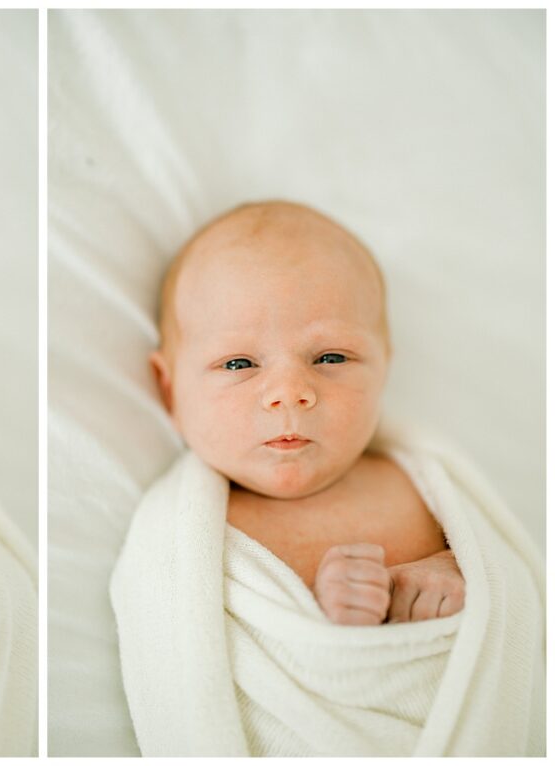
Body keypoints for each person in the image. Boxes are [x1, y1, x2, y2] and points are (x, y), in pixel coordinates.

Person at [149, 200, 464, 625]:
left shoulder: (425, 483)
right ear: (169, 391)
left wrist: (452, 574)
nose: (289, 393)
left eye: (331, 357)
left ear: (383, 367)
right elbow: (177, 650)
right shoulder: (181, 535)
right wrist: (319, 613)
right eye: (239, 364)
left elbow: (510, 583)